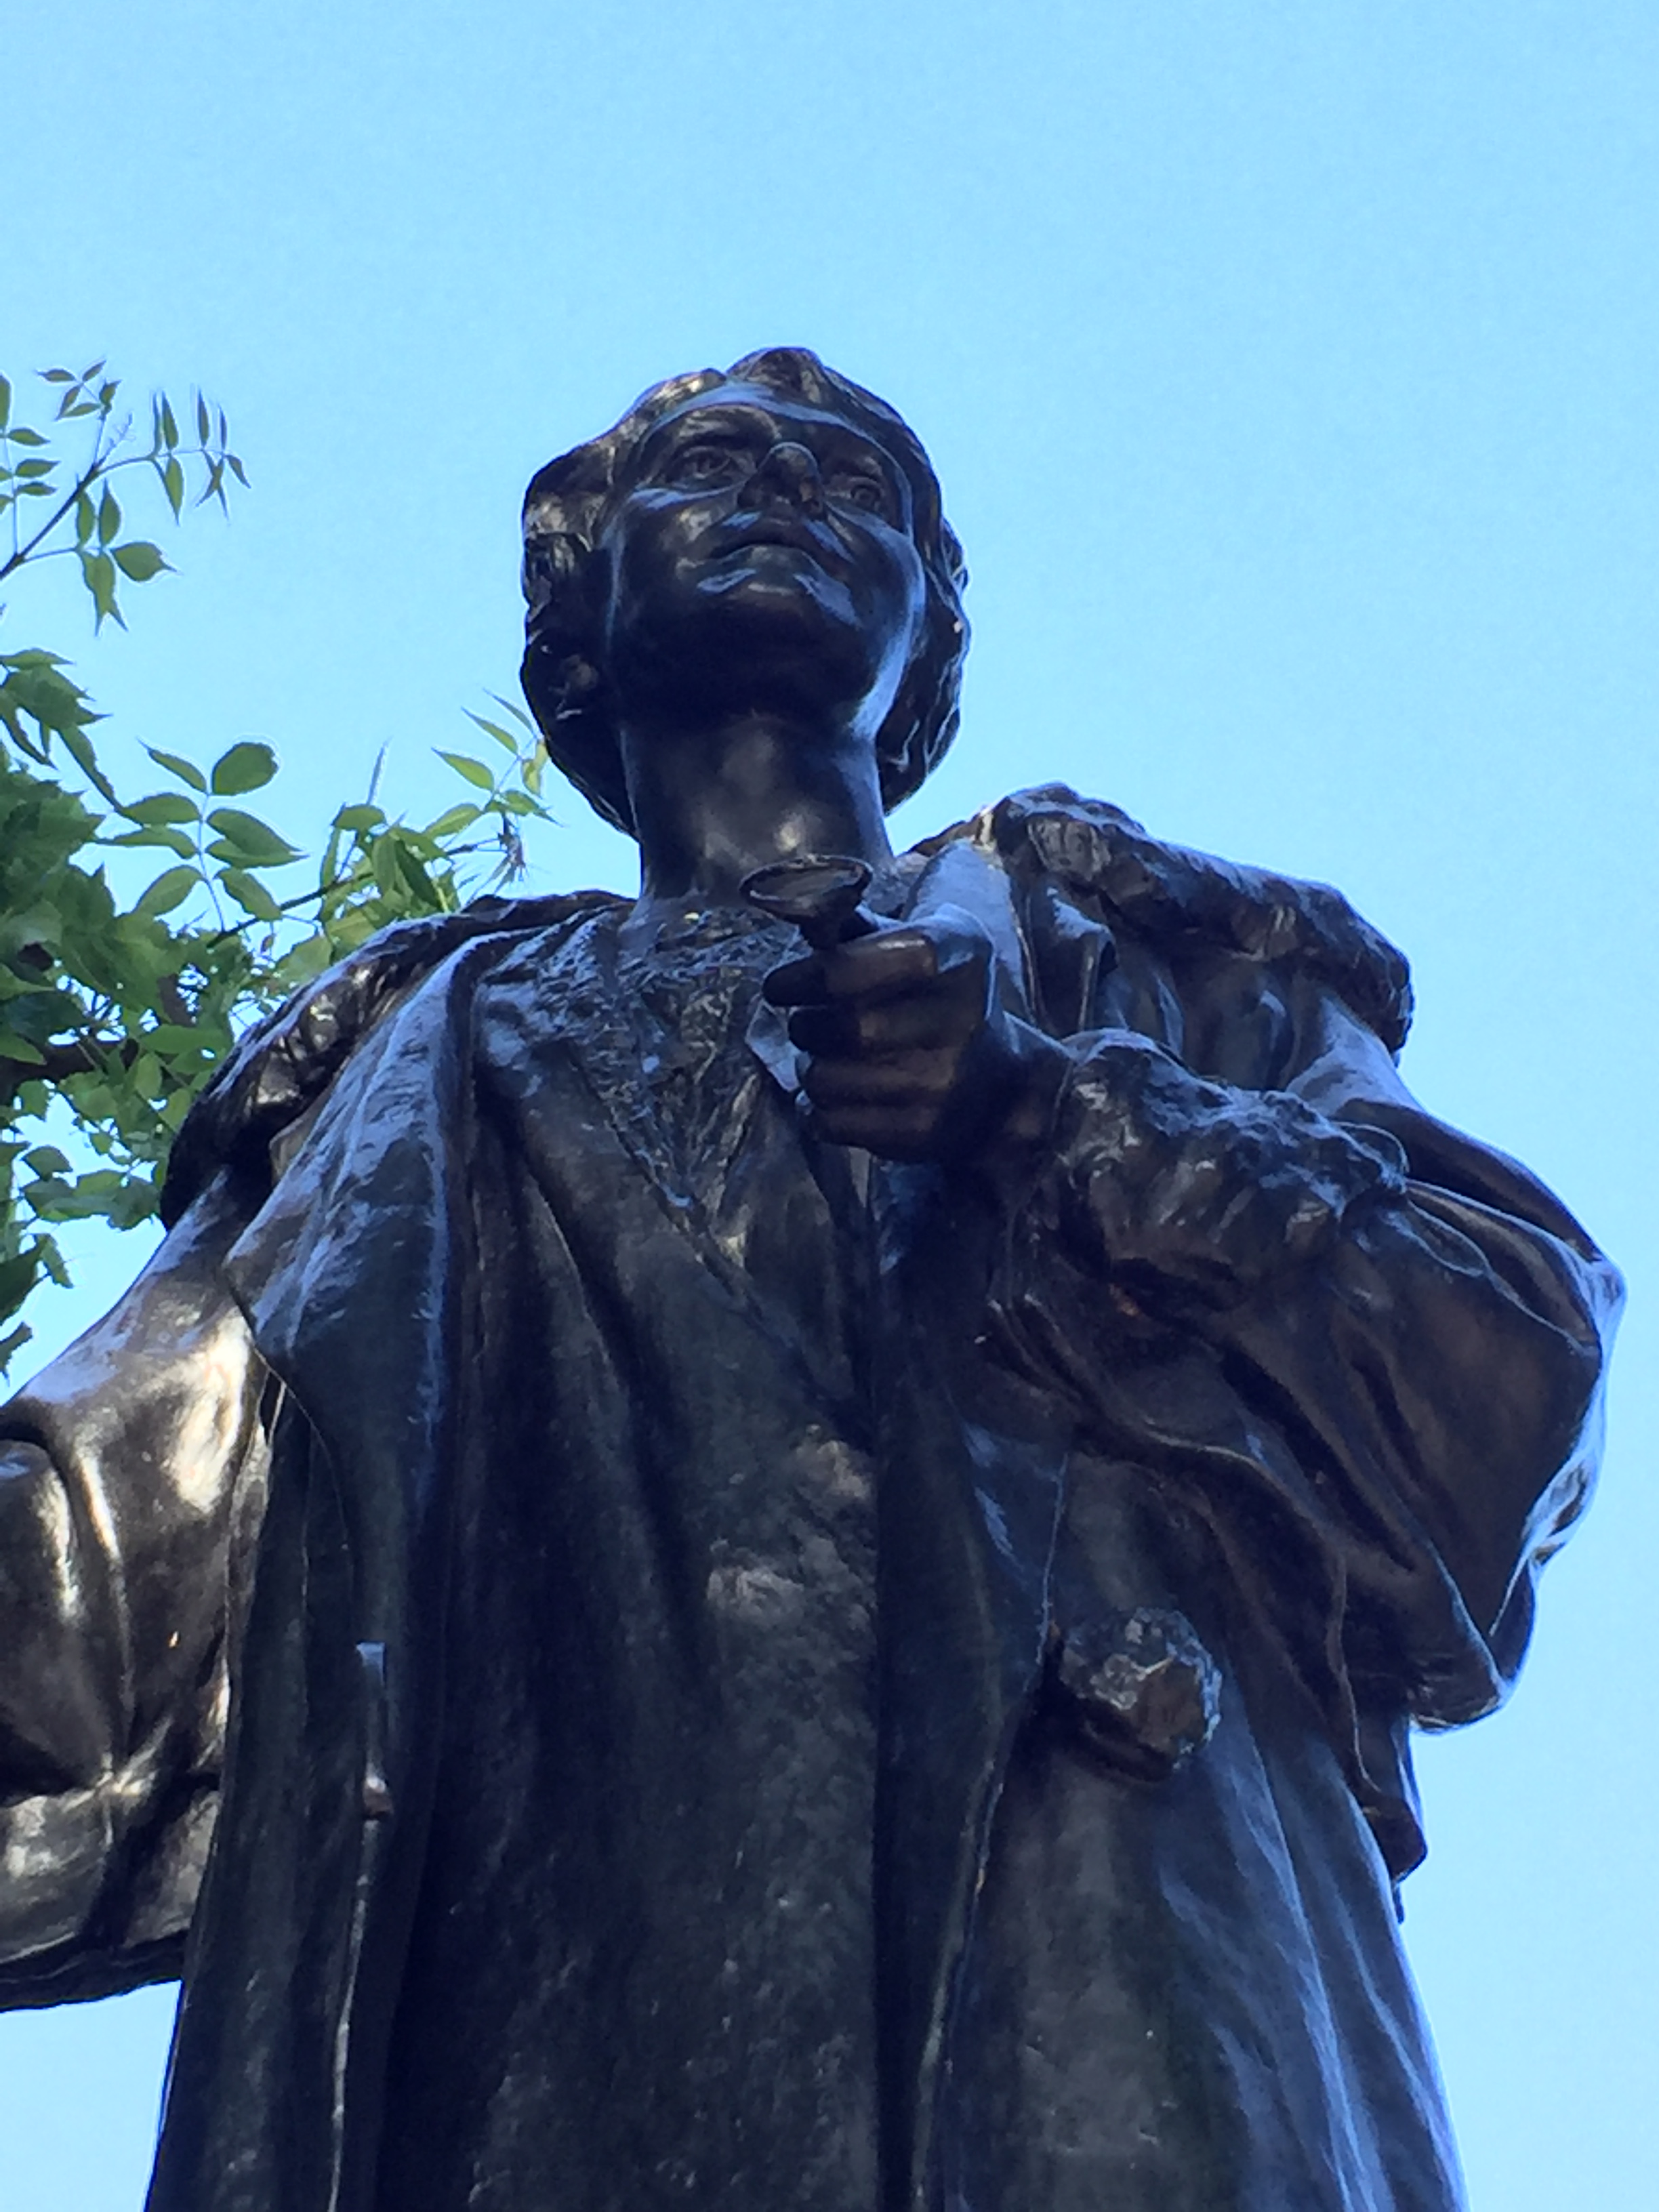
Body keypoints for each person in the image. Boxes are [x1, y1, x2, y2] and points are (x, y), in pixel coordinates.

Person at [0, 348, 1619, 2212]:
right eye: (710, 464)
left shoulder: (1160, 964)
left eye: (852, 485)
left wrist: (1053, 1114)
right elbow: (96, 1561)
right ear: (577, 630)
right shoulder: (402, 1075)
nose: (782, 488)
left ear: (927, 645)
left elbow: (1510, 1350)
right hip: (574, 2033)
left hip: (1120, 1981)